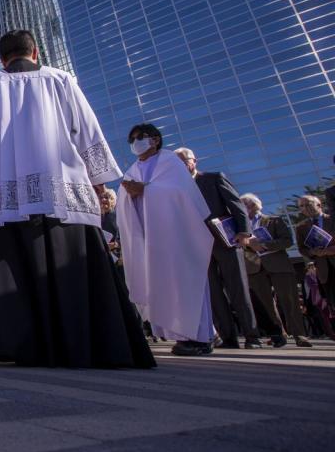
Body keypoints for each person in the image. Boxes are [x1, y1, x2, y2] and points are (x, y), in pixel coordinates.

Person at [0, 30, 154, 368]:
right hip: (65, 189)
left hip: (10, 195)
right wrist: (97, 181)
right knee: (76, 268)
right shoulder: (61, 78)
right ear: (36, 52)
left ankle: (24, 345)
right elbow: (86, 128)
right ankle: (91, 342)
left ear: (1, 58)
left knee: (17, 270)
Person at [117, 125, 216, 356]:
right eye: (132, 139)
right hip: (150, 238)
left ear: (155, 139)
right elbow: (124, 199)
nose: (136, 142)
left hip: (176, 236)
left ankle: (201, 337)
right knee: (162, 284)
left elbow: (181, 194)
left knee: (187, 283)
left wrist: (146, 190)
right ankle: (181, 336)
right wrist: (129, 194)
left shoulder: (170, 162)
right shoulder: (132, 169)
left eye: (140, 137)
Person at [174, 147, 260, 349]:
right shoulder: (176, 189)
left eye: (184, 160)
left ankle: (252, 336)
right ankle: (228, 337)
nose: (182, 165)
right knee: (213, 293)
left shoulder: (213, 178)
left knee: (238, 289)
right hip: (198, 247)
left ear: (194, 161)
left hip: (225, 241)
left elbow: (236, 204)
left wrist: (244, 232)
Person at [239, 193, 311, 347]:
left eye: (243, 204)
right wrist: (248, 244)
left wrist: (265, 245)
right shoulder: (241, 225)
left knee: (289, 300)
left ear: (253, 205)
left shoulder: (274, 220)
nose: (241, 207)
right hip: (254, 268)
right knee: (266, 304)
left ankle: (299, 335)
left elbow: (287, 241)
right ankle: (279, 334)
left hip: (278, 265)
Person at [295, 195, 335, 311]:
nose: (304, 208)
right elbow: (302, 249)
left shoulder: (332, 218)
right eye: (301, 206)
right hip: (324, 272)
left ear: (319, 204)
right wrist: (313, 251)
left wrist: (329, 250)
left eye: (308, 204)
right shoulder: (301, 228)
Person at [99, 189, 121, 263]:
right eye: (101, 197)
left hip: (116, 257)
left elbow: (126, 236)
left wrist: (116, 244)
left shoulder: (118, 216)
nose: (103, 199)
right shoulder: (97, 217)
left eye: (106, 197)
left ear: (113, 200)